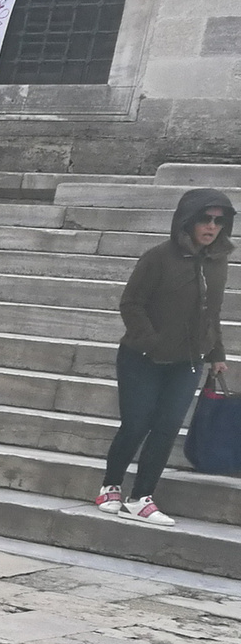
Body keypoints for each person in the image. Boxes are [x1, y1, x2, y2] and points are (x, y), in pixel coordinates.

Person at [98, 186, 232, 526]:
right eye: (205, 218)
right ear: (187, 221)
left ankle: (141, 498)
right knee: (136, 424)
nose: (212, 226)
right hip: (142, 357)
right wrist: (152, 342)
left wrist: (216, 353)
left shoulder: (218, 262)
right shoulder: (158, 257)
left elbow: (211, 312)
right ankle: (109, 486)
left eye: (219, 220)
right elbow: (131, 303)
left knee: (168, 426)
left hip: (187, 361)